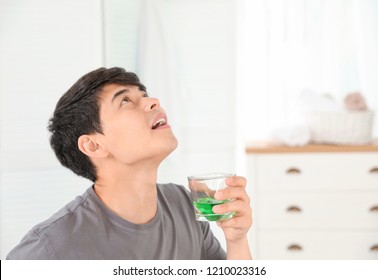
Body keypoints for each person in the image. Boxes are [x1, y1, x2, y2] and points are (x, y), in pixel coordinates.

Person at [7, 67, 252, 260]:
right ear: (94, 146)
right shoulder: (50, 247)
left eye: (143, 95)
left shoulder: (184, 205)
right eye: (125, 101)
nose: (153, 101)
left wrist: (236, 240)